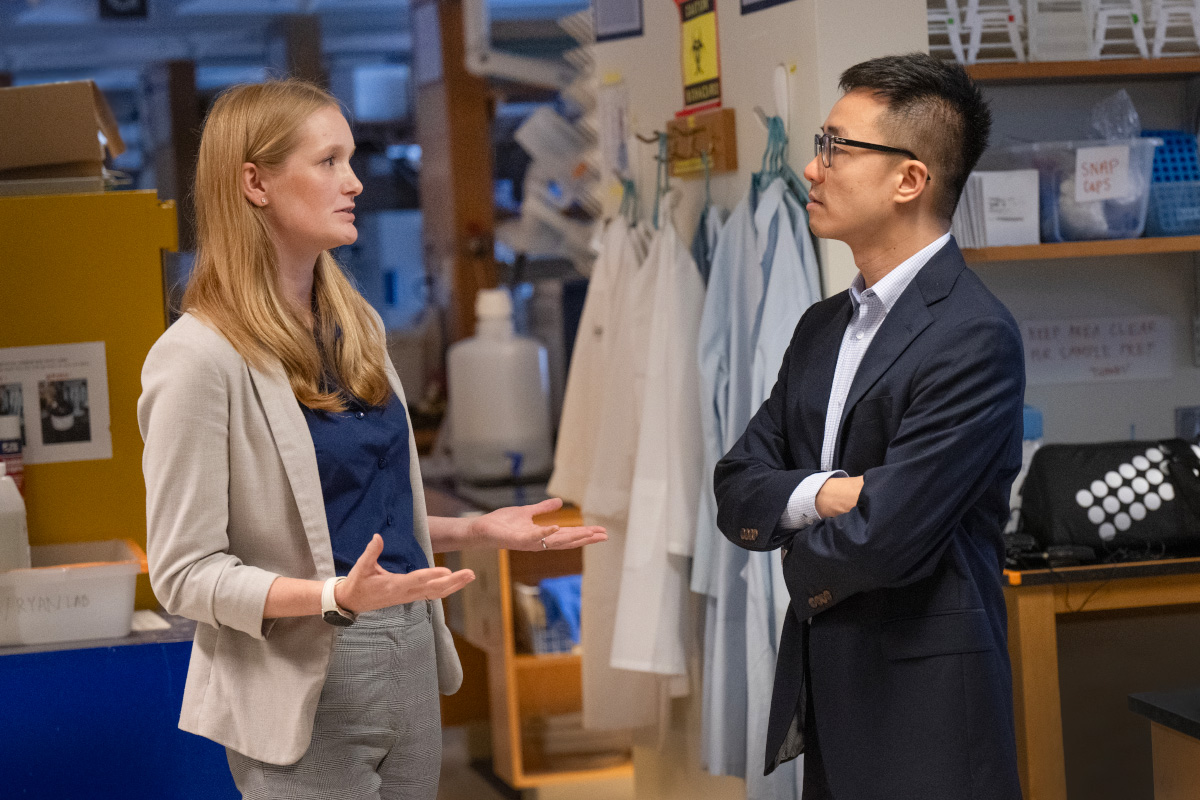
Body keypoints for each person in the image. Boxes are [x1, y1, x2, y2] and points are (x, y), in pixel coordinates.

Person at [137, 79, 606, 800]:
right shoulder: (197, 358)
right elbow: (185, 573)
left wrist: (478, 528)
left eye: (349, 159)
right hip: (304, 681)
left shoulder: (357, 328)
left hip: (409, 655)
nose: (354, 181)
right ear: (254, 182)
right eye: (327, 161)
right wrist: (329, 596)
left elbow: (364, 517)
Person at [713, 53, 1024, 800]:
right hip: (828, 686)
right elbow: (735, 486)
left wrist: (802, 538)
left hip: (925, 698)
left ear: (909, 179)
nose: (812, 171)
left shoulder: (974, 335)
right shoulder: (824, 326)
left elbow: (886, 537)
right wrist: (823, 495)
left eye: (835, 147)